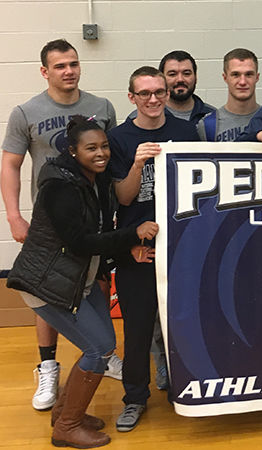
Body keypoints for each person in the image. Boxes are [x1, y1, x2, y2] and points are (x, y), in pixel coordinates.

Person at [6, 116, 158, 448]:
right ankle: (67, 427)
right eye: (91, 148)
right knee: (98, 348)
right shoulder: (60, 186)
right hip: (48, 284)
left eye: (104, 146)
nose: (101, 153)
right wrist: (132, 234)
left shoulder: (95, 179)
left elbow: (100, 232)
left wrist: (127, 249)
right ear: (73, 151)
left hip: (80, 280)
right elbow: (79, 242)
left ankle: (63, 413)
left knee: (102, 347)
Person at [0, 38, 120, 412]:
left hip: (94, 213)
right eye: (60, 66)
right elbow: (11, 165)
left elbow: (110, 159)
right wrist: (14, 215)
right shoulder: (26, 111)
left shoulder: (101, 107)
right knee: (50, 290)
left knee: (92, 280)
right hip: (51, 223)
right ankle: (49, 364)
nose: (68, 71)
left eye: (73, 63)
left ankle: (98, 351)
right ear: (45, 72)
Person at [108, 66, 200, 432]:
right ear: (131, 97)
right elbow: (122, 197)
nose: (152, 99)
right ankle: (134, 398)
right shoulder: (119, 138)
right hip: (138, 247)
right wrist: (137, 163)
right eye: (143, 93)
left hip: (180, 246)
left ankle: (188, 386)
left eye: (158, 91)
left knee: (185, 323)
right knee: (137, 328)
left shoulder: (184, 131)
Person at [198, 48, 261, 142]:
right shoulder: (207, 125)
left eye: (248, 74)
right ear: (225, 77)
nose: (243, 82)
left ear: (257, 77)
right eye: (235, 75)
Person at [159, 50, 215, 123]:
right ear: (161, 79)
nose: (180, 79)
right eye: (172, 74)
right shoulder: (148, 117)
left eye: (186, 73)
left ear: (196, 77)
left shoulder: (213, 117)